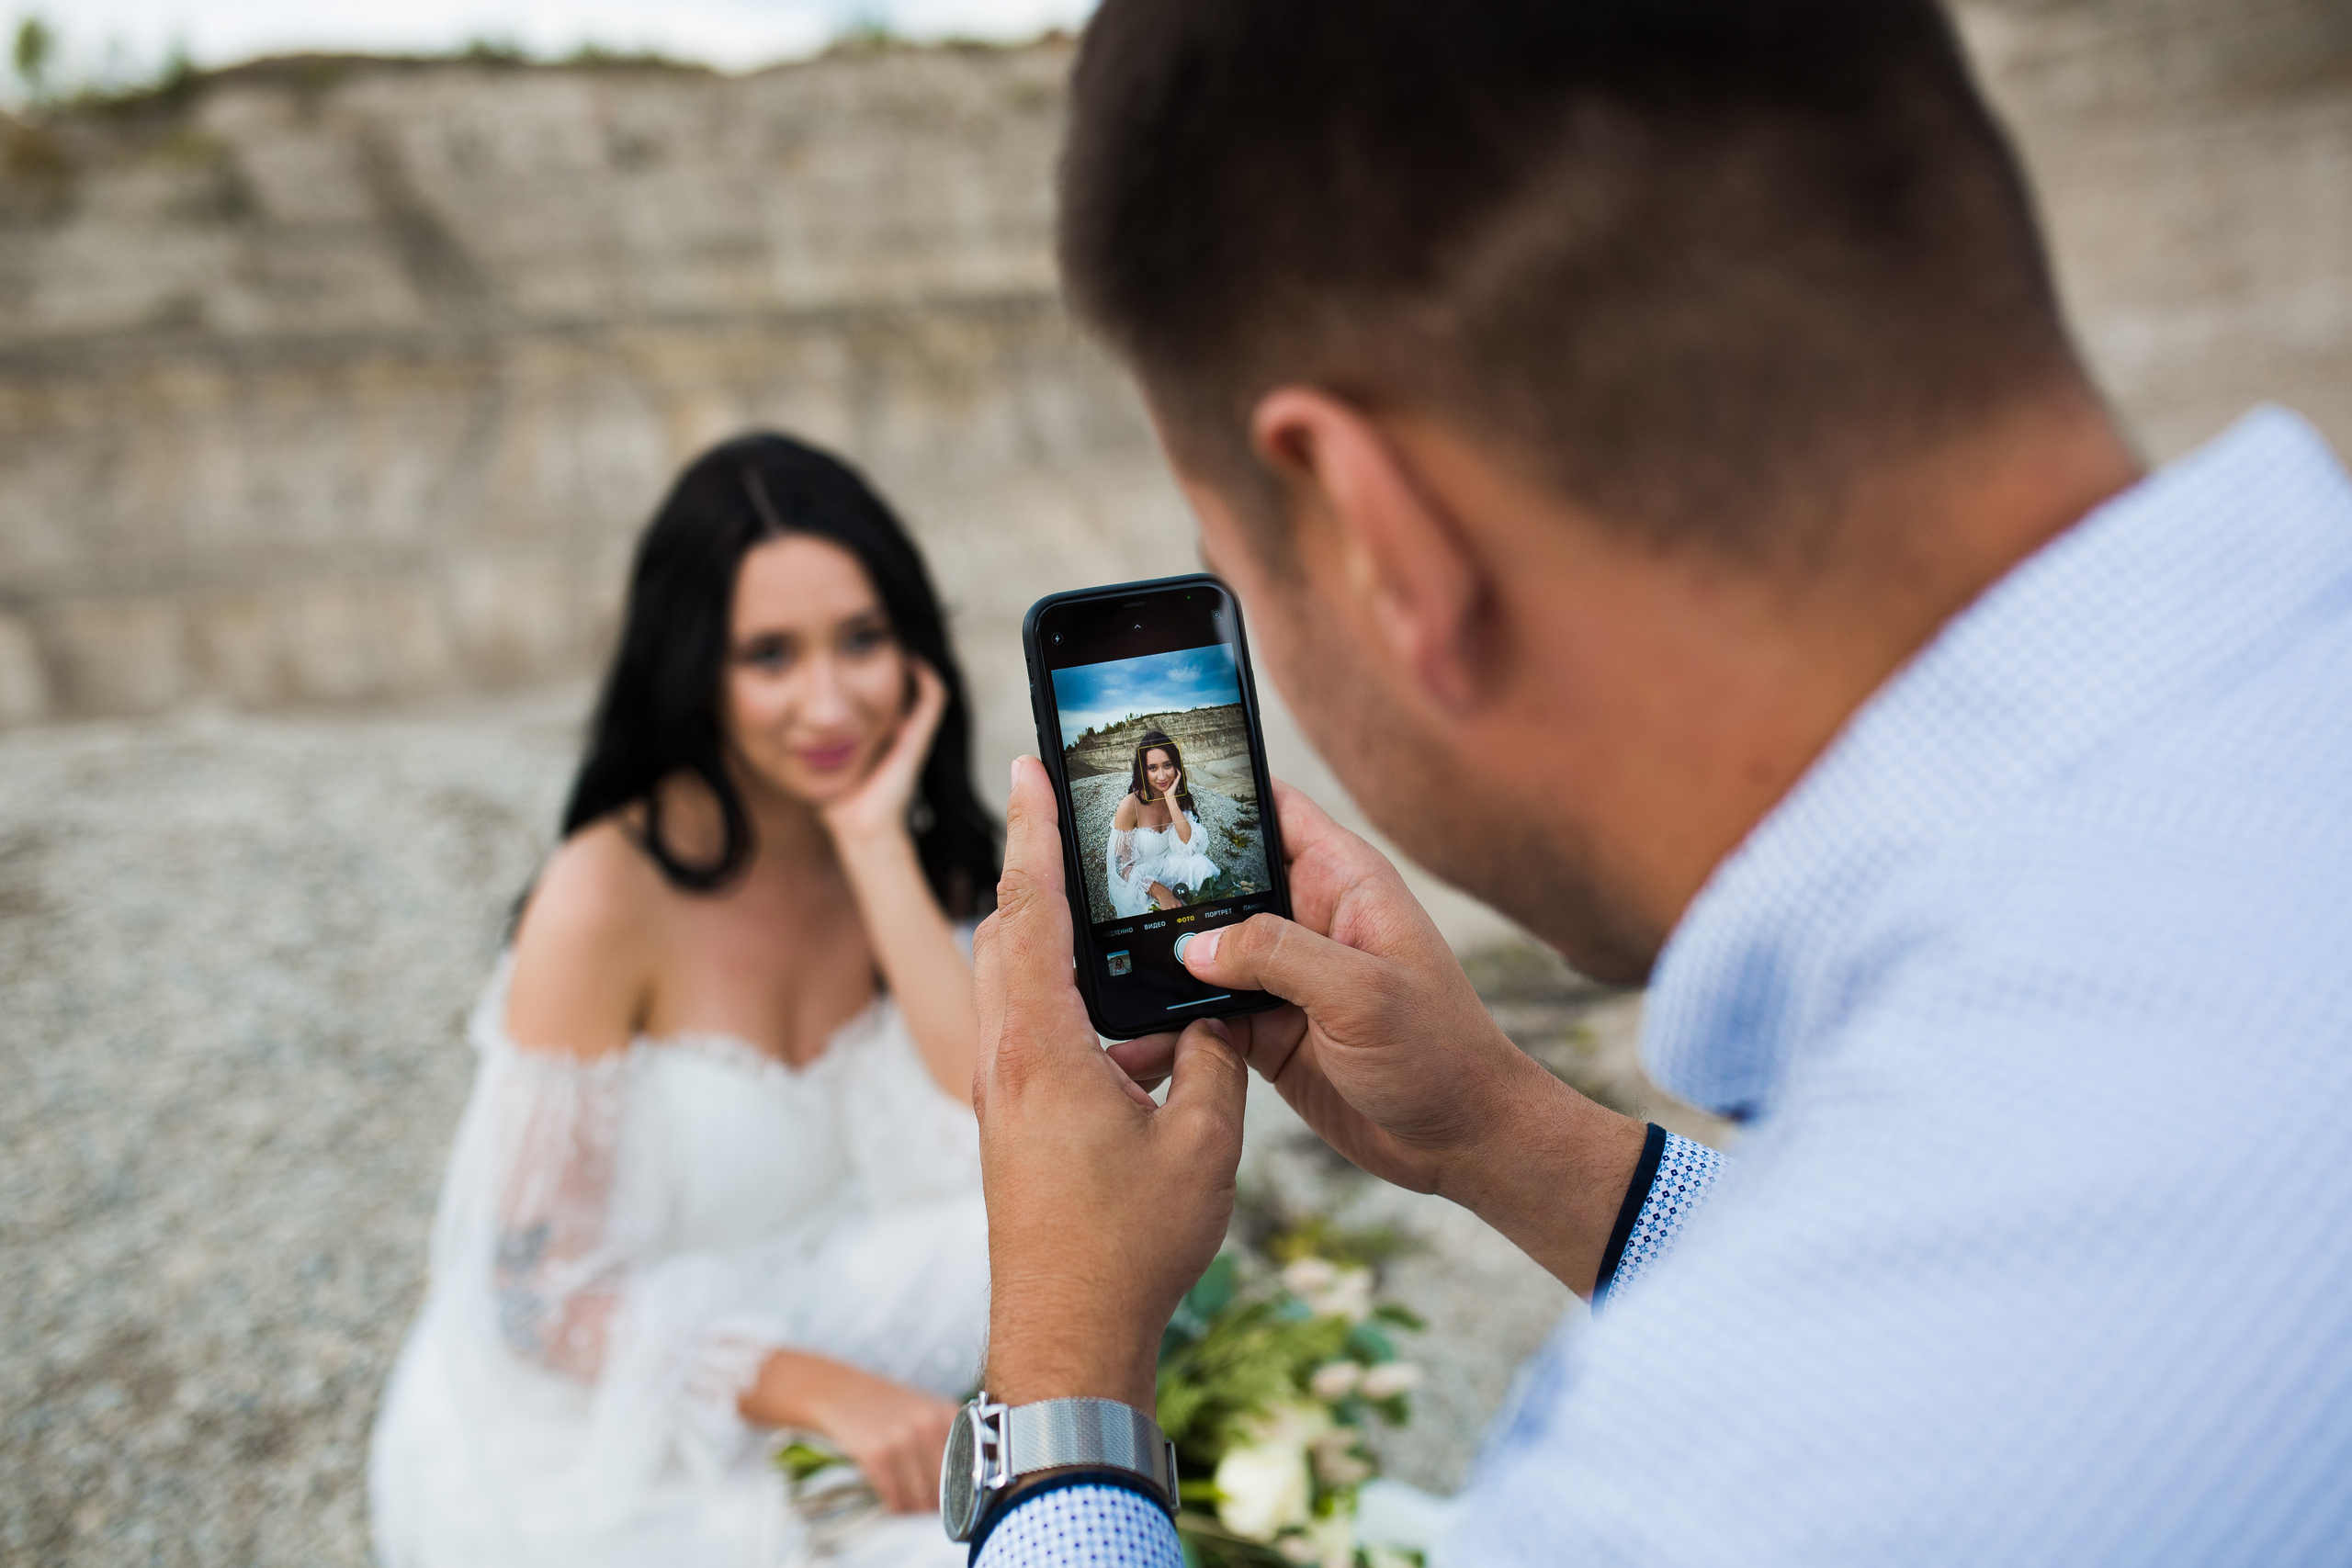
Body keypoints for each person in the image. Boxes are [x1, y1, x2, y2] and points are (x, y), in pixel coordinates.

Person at [962, 1, 2352, 1563]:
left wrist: (1065, 1384)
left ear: (1376, 536)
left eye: (1239, 562)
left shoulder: (1704, 1489)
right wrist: (1504, 1134)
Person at [369, 434, 1000, 1568]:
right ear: (694, 668)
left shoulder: (897, 852)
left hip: (809, 1304)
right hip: (592, 1420)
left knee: (1038, 1233)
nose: (830, 701)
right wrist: (823, 1393)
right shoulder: (604, 895)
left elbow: (1001, 1128)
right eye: (769, 655)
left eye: (861, 639)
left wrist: (871, 848)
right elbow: (530, 1301)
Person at [1106, 731, 1218, 915]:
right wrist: (1159, 890)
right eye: (1153, 768)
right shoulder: (1129, 805)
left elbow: (1187, 847)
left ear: (1176, 766)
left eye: (1167, 766)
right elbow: (1121, 867)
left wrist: (1170, 799)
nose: (1162, 776)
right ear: (1143, 770)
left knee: (1201, 866)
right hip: (1139, 881)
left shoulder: (1178, 799)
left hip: (1170, 867)